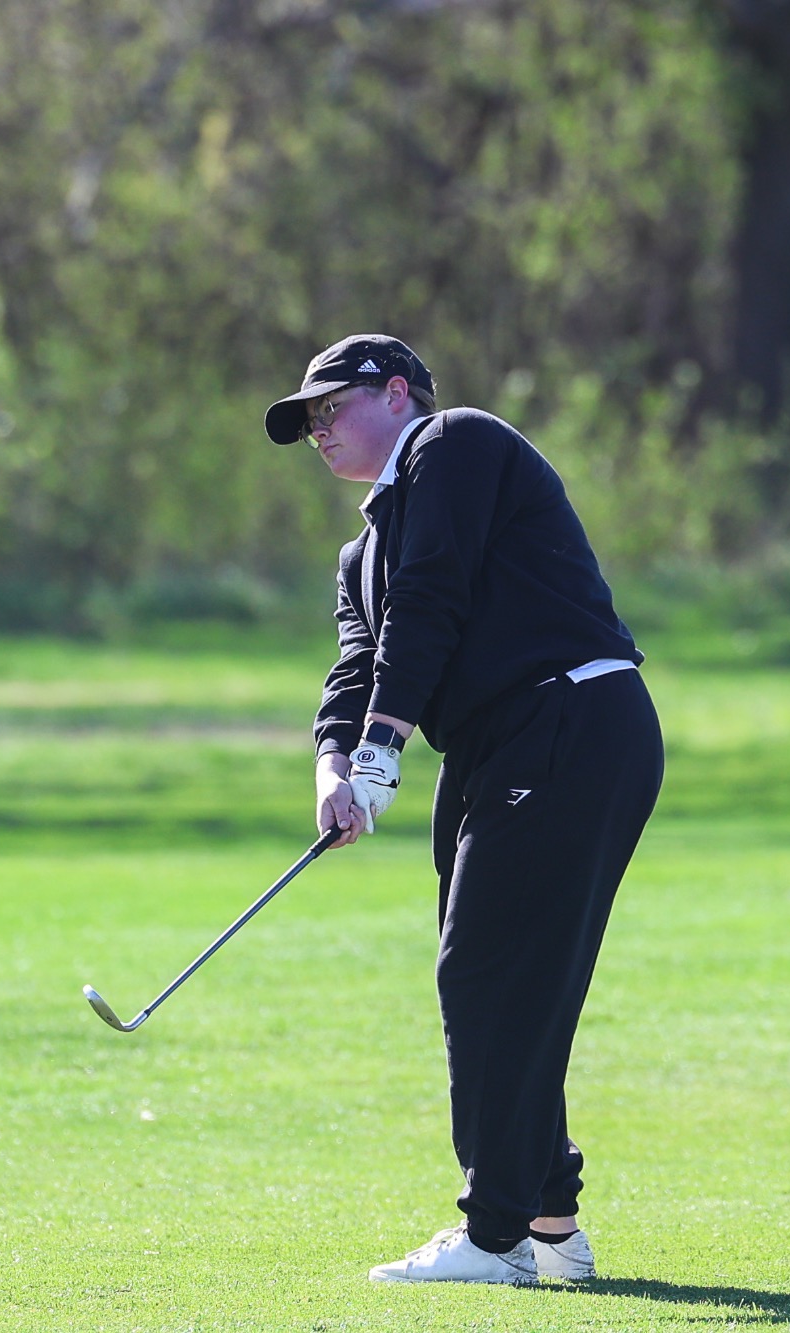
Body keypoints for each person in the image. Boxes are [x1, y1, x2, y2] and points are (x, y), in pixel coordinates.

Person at [264, 334, 664, 1284]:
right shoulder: (361, 551)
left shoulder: (456, 443)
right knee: (491, 978)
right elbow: (357, 662)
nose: (319, 430)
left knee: (489, 973)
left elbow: (431, 595)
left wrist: (383, 746)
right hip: (493, 746)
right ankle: (551, 1225)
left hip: (569, 713)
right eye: (309, 420)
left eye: (332, 406)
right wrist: (333, 764)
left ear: (397, 392)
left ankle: (494, 1237)